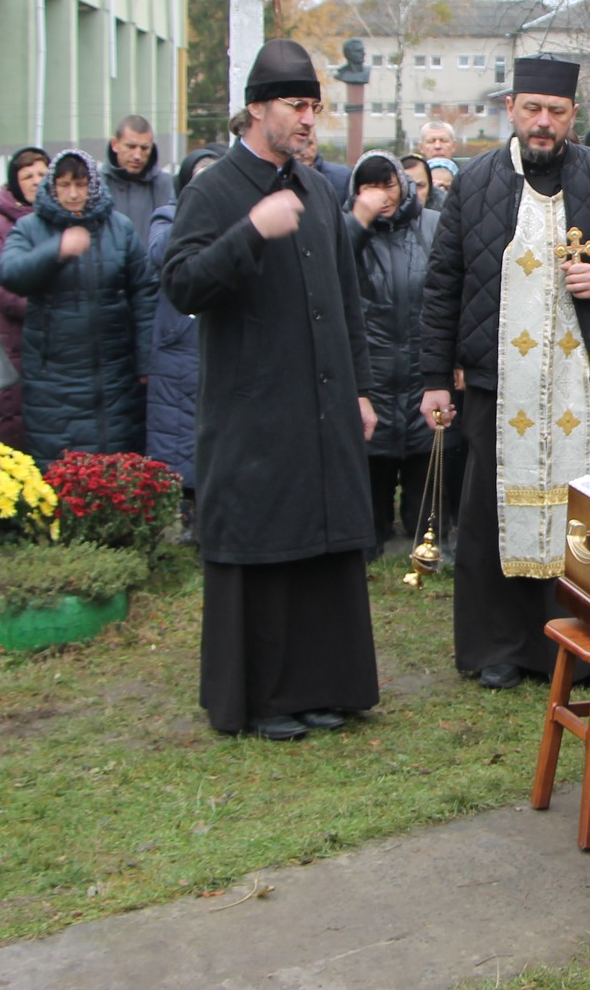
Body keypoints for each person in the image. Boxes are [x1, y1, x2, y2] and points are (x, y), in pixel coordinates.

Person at [162, 38, 381, 741]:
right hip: (255, 406)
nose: (309, 118)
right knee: (268, 545)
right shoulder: (215, 189)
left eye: (314, 105)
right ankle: (263, 699)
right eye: (296, 104)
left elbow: (349, 301)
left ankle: (324, 687)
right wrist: (251, 231)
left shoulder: (318, 189)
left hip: (324, 401)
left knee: (320, 545)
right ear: (257, 109)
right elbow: (182, 284)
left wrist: (362, 390)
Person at [417, 56, 590, 690]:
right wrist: (435, 376)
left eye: (555, 111)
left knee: (581, 513)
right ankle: (497, 646)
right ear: (512, 111)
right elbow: (442, 284)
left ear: (572, 115)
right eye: (532, 109)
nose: (543, 122)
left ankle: (577, 644)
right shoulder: (473, 183)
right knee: (490, 511)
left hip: (581, 378)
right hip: (498, 379)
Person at [0, 149, 159, 464]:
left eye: (82, 185)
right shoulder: (31, 228)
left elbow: (144, 292)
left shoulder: (119, 228)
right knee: (63, 463)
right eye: (65, 185)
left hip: (114, 371)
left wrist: (144, 362)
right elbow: (10, 273)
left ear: (93, 186)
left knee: (118, 461)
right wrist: (56, 250)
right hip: (54, 374)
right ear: (52, 187)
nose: (73, 194)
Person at [348, 149, 443, 560]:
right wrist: (359, 222)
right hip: (372, 366)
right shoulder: (346, 231)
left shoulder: (433, 227)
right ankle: (371, 533)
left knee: (425, 454)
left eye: (387, 184)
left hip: (424, 362)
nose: (381, 196)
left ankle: (426, 536)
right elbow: (332, 275)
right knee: (374, 457)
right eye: (370, 186)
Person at [147, 146, 224, 524]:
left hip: (217, 335)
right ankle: (181, 513)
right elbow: (161, 252)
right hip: (178, 341)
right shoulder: (166, 215)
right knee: (176, 430)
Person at [0, 147, 50, 448]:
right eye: (27, 176)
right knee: (14, 416)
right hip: (17, 338)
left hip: (61, 339)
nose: (36, 181)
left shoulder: (65, 220)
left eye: (42, 174)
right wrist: (43, 310)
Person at [105, 115, 176, 229]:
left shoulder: (169, 186)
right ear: (115, 144)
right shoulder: (95, 185)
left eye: (144, 148)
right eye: (131, 146)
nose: (137, 156)